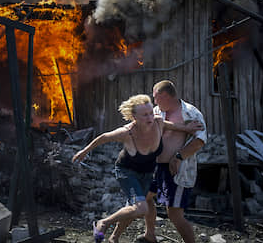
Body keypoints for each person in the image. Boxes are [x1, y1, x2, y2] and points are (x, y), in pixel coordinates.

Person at [72, 94, 202, 243]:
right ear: (134, 117)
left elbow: (170, 125)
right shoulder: (126, 132)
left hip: (147, 174)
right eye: (145, 115)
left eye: (151, 113)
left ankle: (144, 236)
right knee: (140, 208)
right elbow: (104, 137)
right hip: (127, 173)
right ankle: (104, 223)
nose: (150, 118)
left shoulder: (158, 122)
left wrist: (187, 128)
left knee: (147, 203)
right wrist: (84, 151)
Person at [137, 80, 207, 243]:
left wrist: (178, 157)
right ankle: (150, 235)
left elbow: (200, 140)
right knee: (145, 197)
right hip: (155, 167)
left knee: (174, 214)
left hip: (177, 169)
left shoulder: (190, 113)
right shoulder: (156, 111)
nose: (155, 102)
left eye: (156, 98)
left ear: (166, 96)